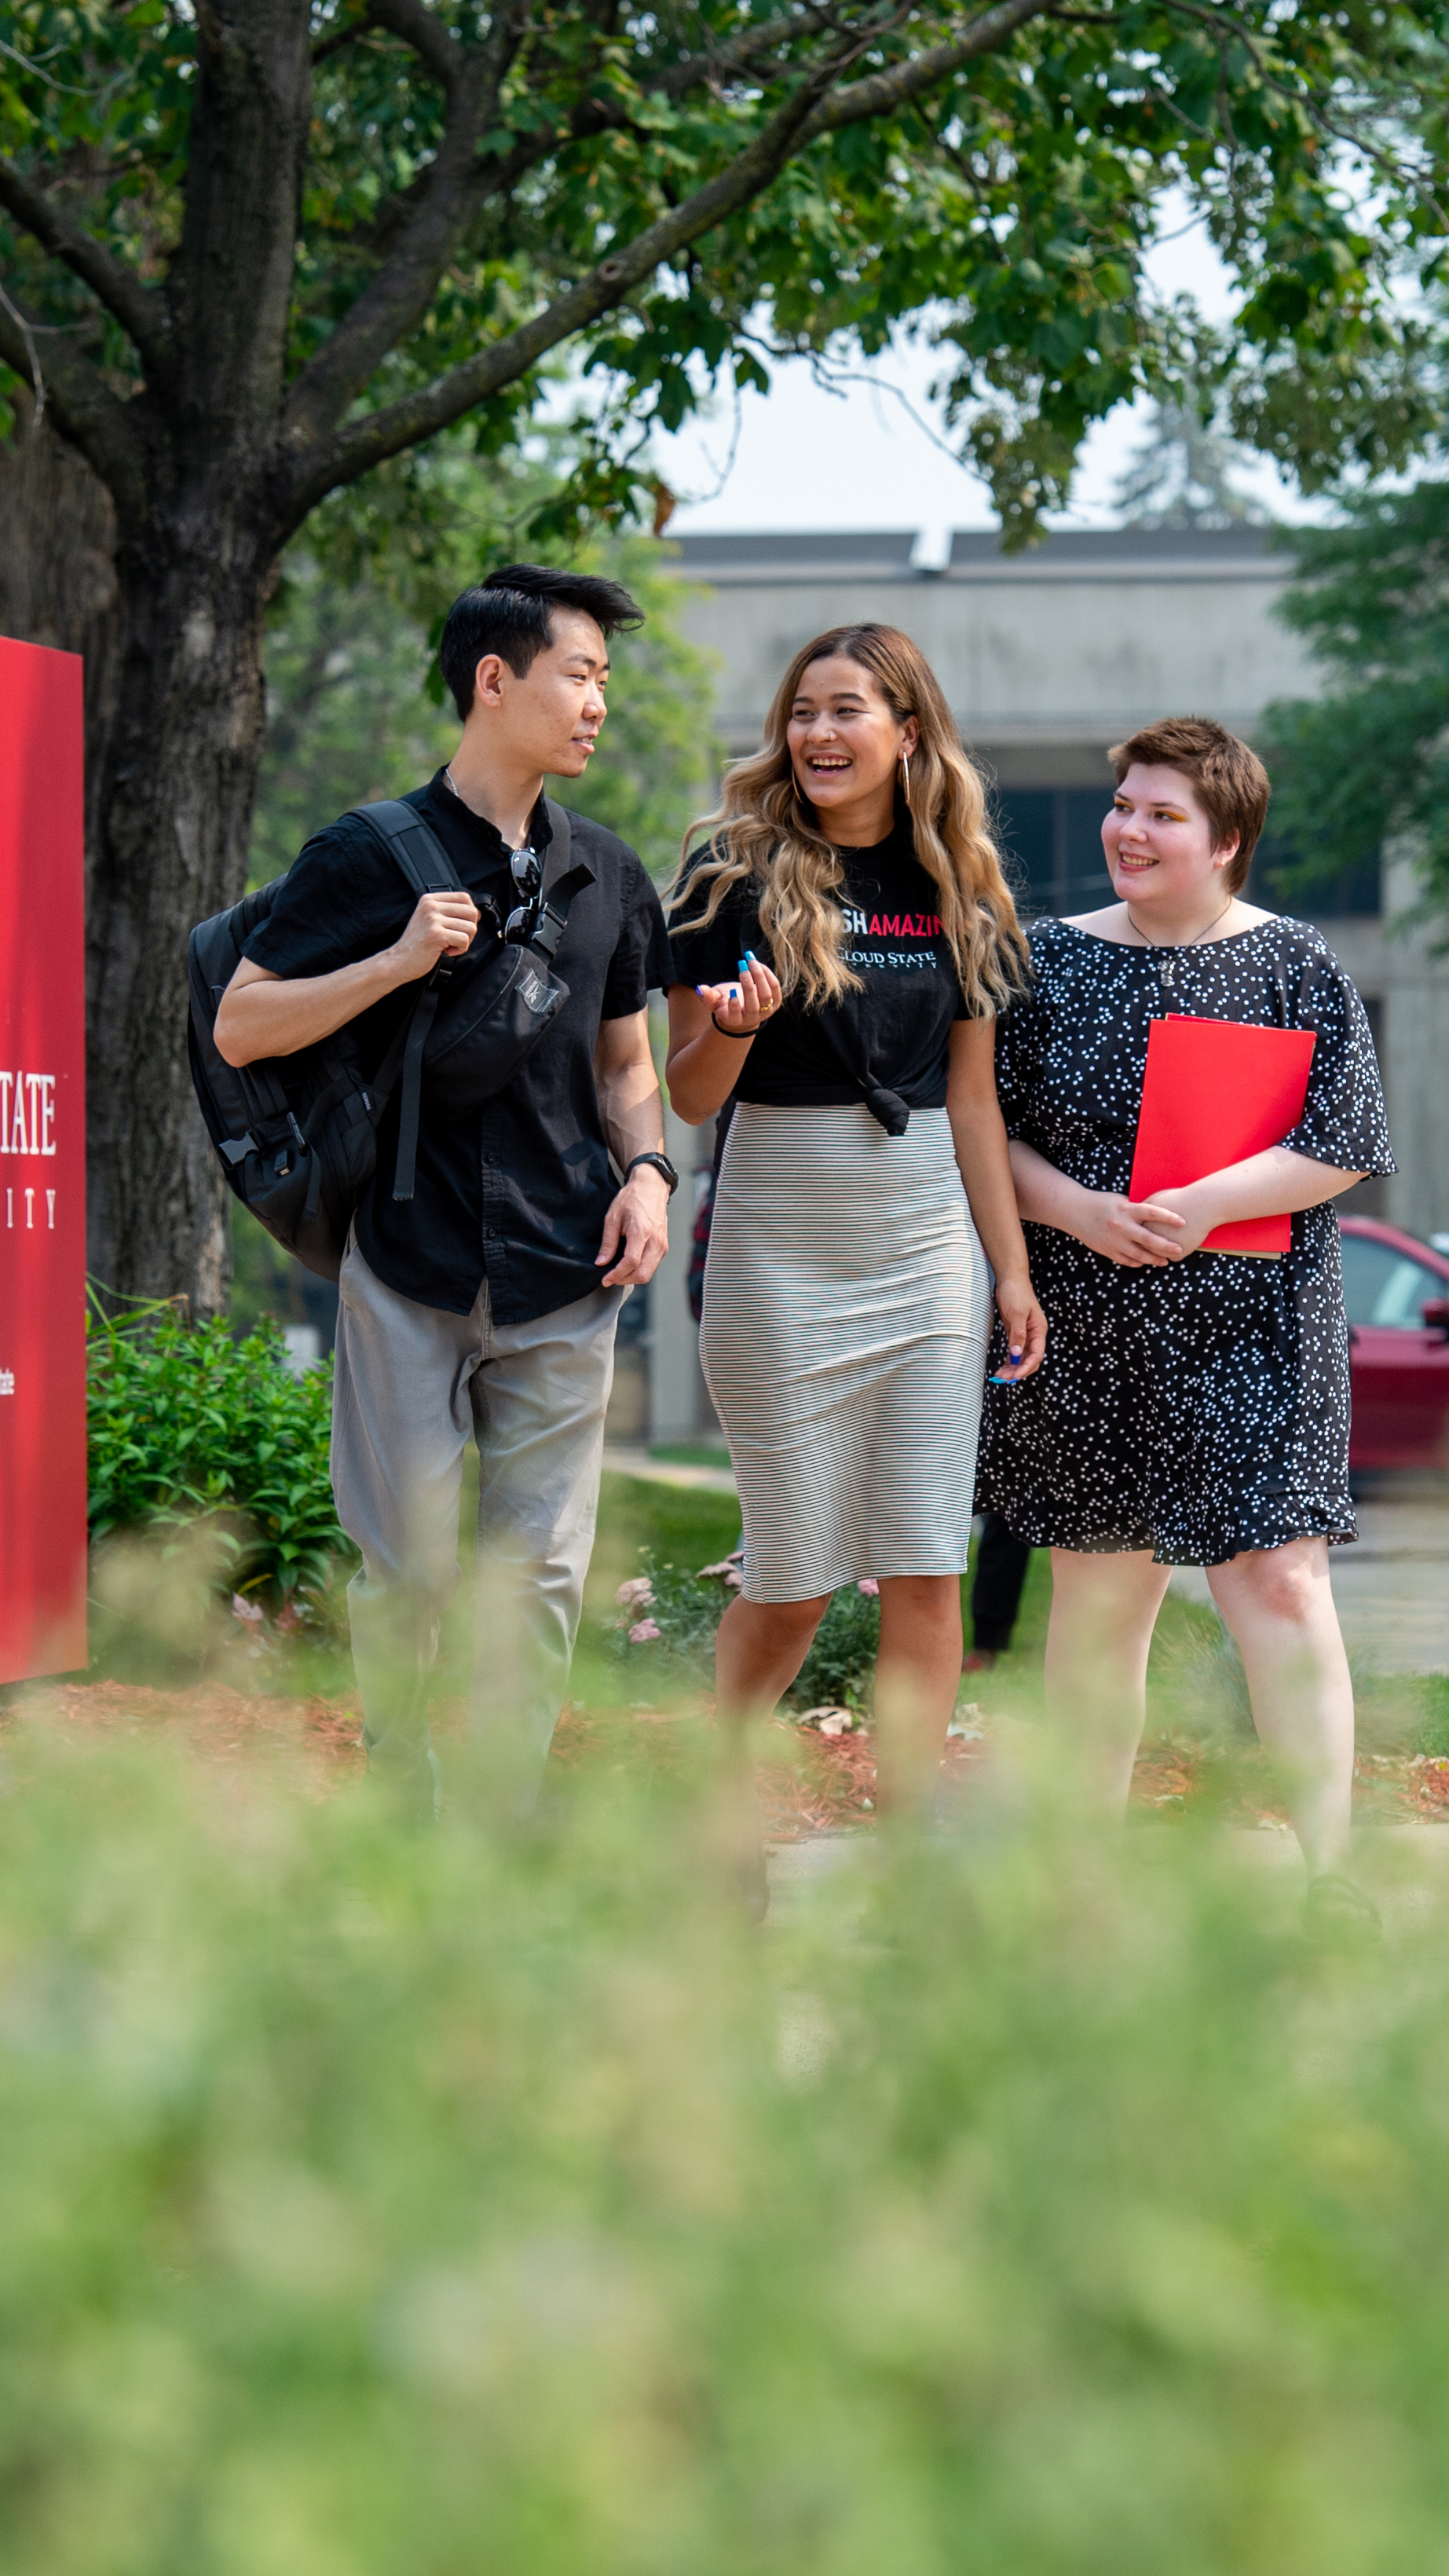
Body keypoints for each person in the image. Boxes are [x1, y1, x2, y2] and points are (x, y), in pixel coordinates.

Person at [214, 565, 677, 1818]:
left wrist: (647, 1172)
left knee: (536, 1575)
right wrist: (398, 957)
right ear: (493, 680)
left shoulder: (608, 876)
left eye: (602, 681)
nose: (597, 704)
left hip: (566, 1269)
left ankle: (501, 1814)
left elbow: (628, 1064)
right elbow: (242, 1026)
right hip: (408, 1258)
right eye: (579, 675)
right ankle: (402, 1804)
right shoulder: (368, 856)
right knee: (406, 1570)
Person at [974, 717, 1395, 1934]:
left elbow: (1342, 1141)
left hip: (1257, 1328)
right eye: (1124, 806)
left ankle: (1328, 1875)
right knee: (1101, 1602)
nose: (1128, 829)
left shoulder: (1295, 963)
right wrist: (1080, 1211)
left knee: (1277, 1583)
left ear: (1227, 842)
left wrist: (1197, 1205)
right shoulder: (1043, 960)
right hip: (1086, 1320)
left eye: (1163, 814)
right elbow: (985, 1131)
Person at [664, 622, 1046, 1841]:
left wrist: (1011, 1270)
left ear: (908, 731)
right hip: (779, 1235)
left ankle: (910, 1831)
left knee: (928, 1558)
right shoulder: (730, 871)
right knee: (795, 1573)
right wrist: (729, 1023)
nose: (818, 735)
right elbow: (687, 1095)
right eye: (803, 712)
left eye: (847, 711)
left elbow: (975, 1101)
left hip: (927, 1239)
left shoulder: (961, 886)